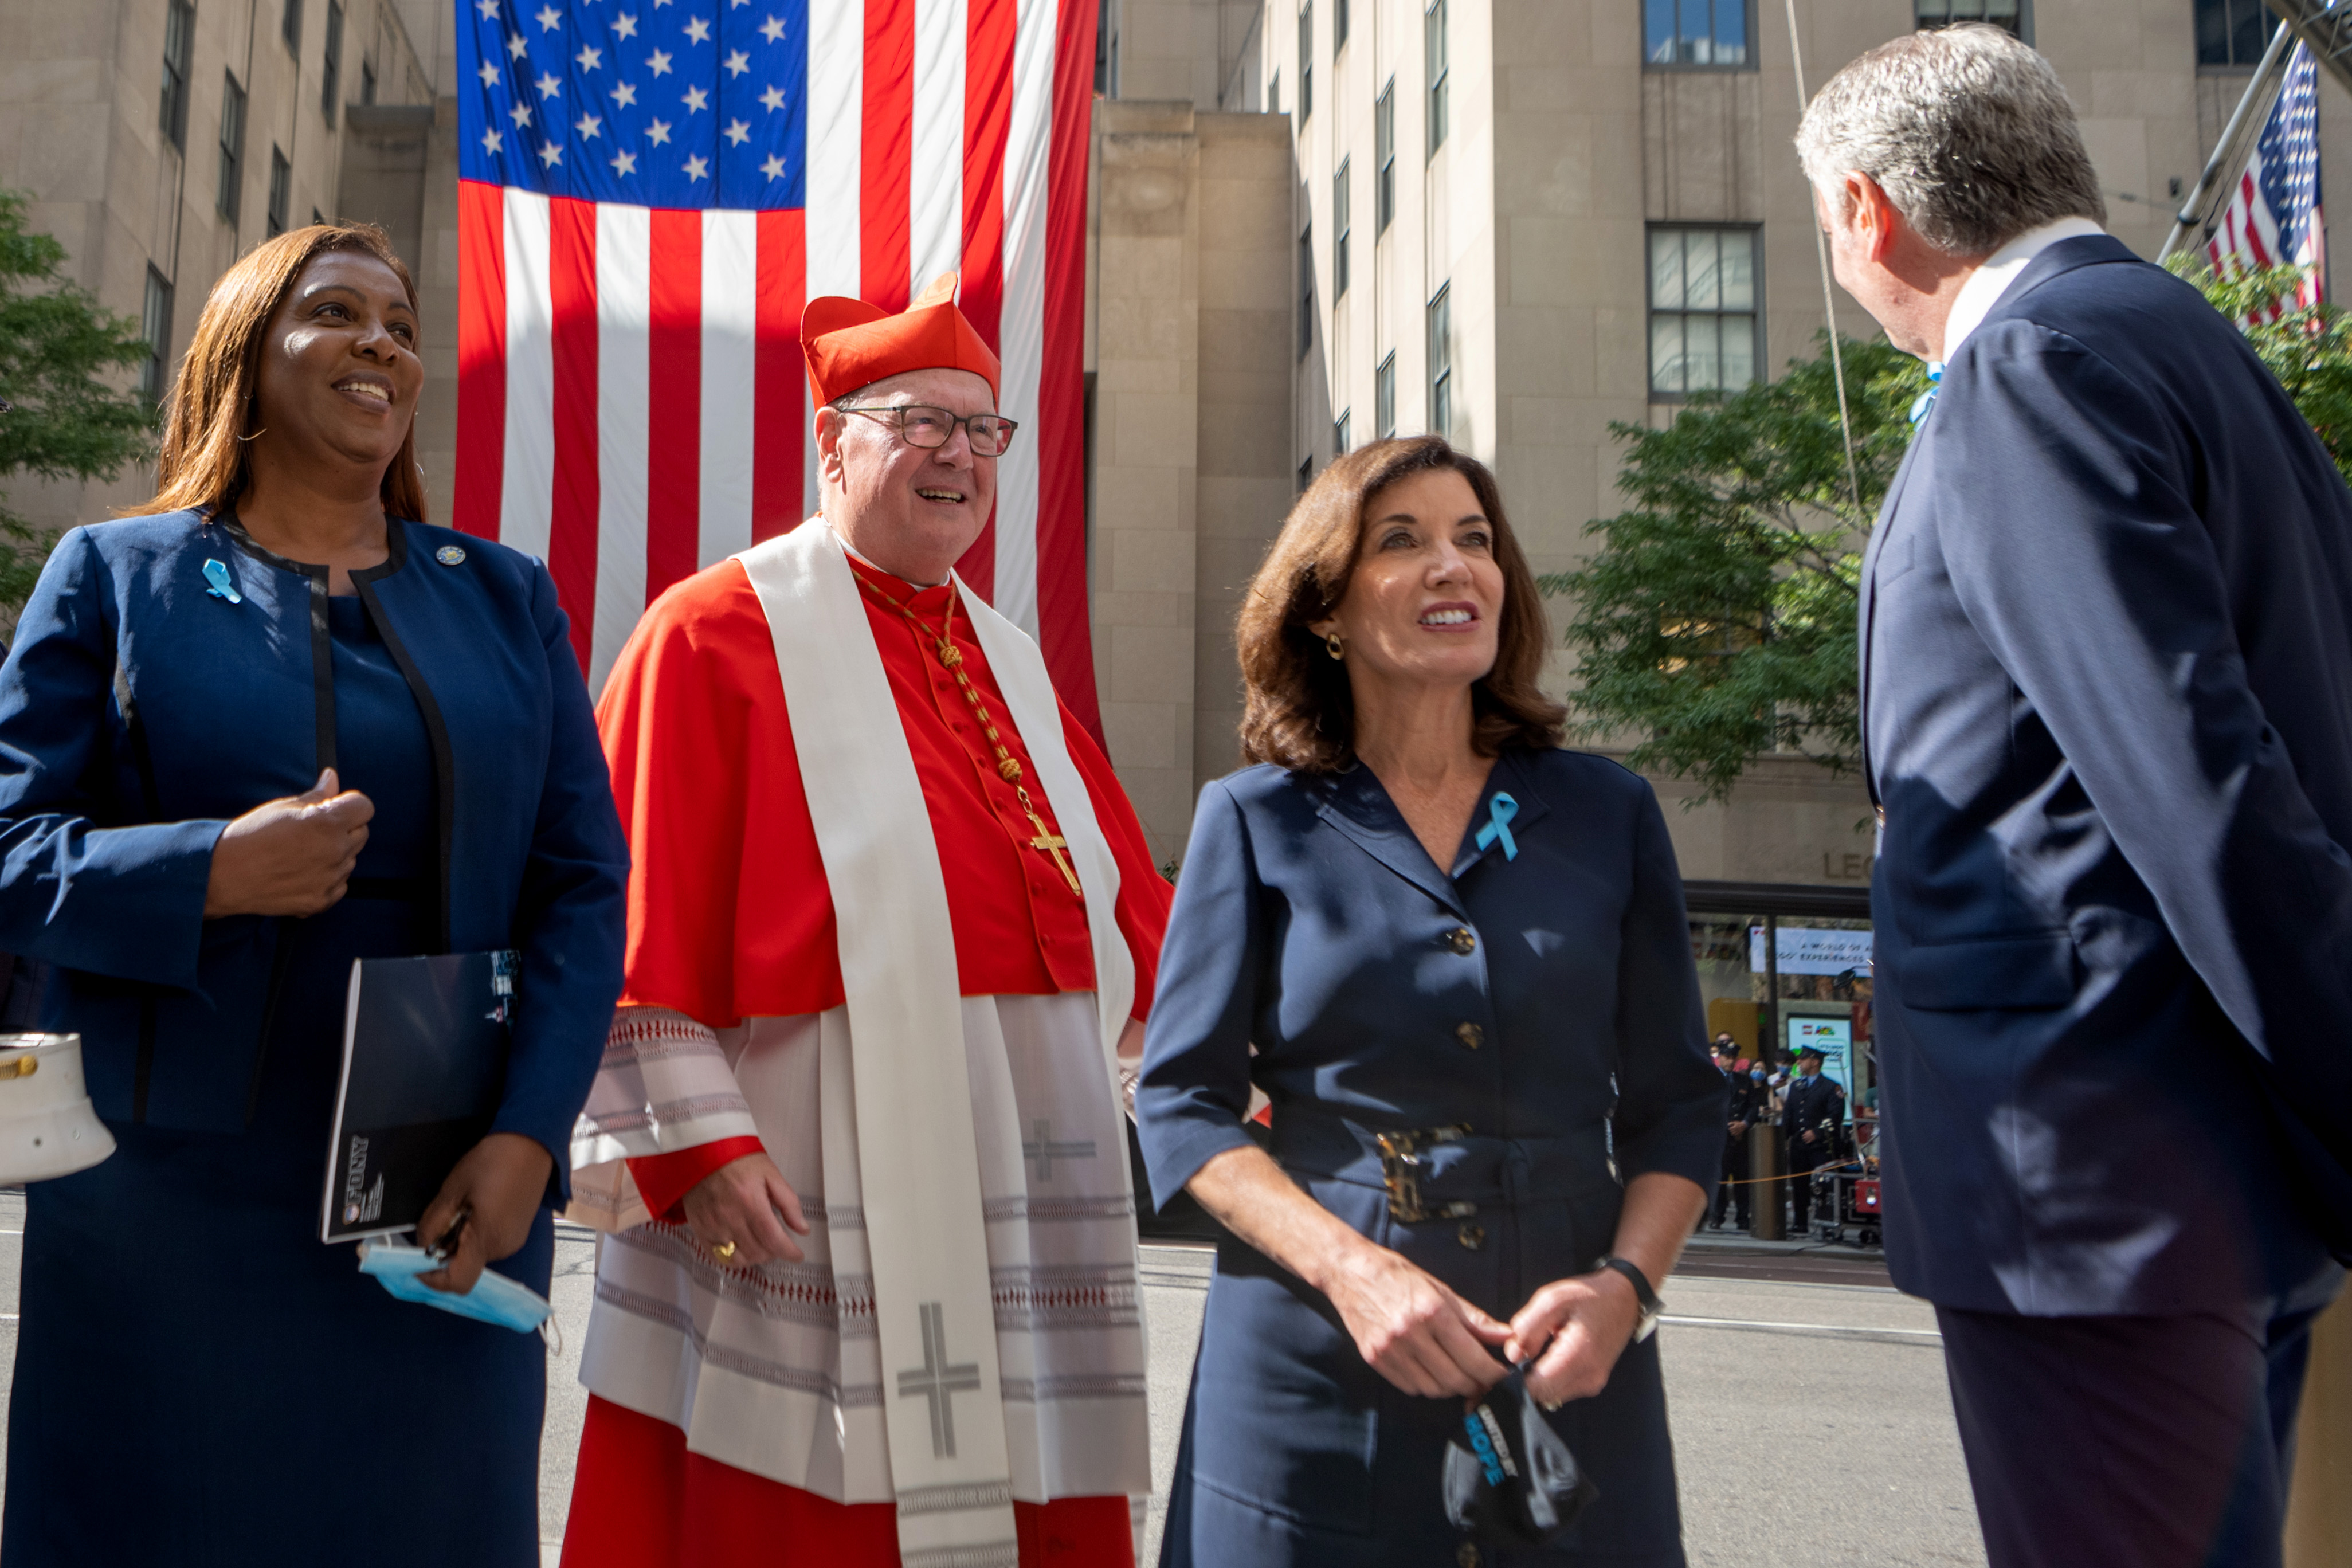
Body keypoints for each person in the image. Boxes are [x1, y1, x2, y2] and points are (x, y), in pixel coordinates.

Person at [1800, 26, 2350, 1567]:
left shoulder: (2029, 368)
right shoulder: (2198, 351)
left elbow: (2199, 790)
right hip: (2212, 1183)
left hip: (2096, 1192)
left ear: (1868, 211)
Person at [0, 224, 629, 1564]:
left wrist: (529, 1134)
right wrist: (205, 870)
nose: (379, 342)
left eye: (399, 324)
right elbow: (11, 848)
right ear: (245, 352)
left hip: (446, 1186)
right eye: (333, 311)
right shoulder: (116, 577)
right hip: (164, 1206)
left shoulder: (508, 598)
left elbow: (579, 888)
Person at [558, 274, 1172, 1568]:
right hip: (805, 1164)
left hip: (1025, 1166)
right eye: (919, 420)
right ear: (832, 441)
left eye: (982, 427)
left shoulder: (1012, 658)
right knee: (801, 1510)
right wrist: (695, 1145)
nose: (959, 451)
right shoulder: (713, 633)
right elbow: (623, 911)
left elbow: (1129, 908)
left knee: (1028, 1489)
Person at [1135, 436, 1727, 1566]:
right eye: (1402, 542)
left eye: (1475, 540)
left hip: (1565, 1344)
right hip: (1315, 1342)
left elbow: (1680, 1107)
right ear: (1326, 611)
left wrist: (1626, 1291)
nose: (1454, 566)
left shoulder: (1607, 813)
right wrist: (1353, 1272)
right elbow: (1183, 1107)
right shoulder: (1258, 822)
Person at [1778, 1048, 1844, 1235]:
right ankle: (1800, 1222)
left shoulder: (1831, 1087)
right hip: (1799, 1145)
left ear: (1815, 1062)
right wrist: (1781, 1138)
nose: (1799, 1063)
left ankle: (1827, 1223)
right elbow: (1789, 1116)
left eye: (1804, 1060)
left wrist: (1817, 1133)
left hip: (1821, 1147)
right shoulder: (1796, 1086)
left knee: (1824, 1186)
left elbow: (1835, 1116)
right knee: (1799, 1184)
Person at [1713, 1050, 1762, 1232]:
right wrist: (1726, 1126)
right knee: (1720, 1180)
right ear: (1720, 1058)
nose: (1730, 1061)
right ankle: (1717, 1217)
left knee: (1743, 1180)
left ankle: (1743, 1218)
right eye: (1727, 1057)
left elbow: (1753, 1106)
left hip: (1741, 1138)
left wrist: (1744, 1124)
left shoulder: (1744, 1080)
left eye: (1733, 1057)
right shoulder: (1711, 1079)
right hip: (1720, 1138)